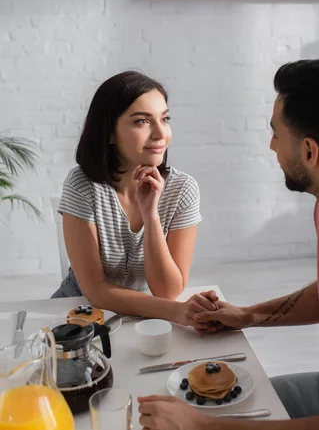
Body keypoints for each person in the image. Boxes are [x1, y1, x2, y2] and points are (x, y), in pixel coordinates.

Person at [139, 58, 319, 430]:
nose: (271, 146)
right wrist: (248, 314)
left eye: (276, 134)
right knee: (215, 407)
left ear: (310, 151)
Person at [51, 70, 218, 326]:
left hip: (145, 313)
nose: (160, 134)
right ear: (108, 132)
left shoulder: (182, 189)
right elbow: (95, 289)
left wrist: (151, 216)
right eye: (142, 121)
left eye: (165, 119)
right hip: (78, 310)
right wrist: (174, 312)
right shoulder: (82, 186)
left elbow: (167, 291)